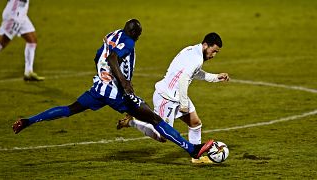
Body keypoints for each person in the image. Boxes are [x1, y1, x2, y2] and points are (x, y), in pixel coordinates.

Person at [12, 19, 215, 160]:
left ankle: (28, 121)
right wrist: (124, 84)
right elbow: (112, 58)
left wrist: (103, 76)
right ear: (136, 34)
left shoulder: (113, 35)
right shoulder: (128, 42)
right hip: (118, 94)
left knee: (69, 109)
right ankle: (192, 149)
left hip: (98, 89)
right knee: (155, 120)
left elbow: (98, 56)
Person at [117, 32, 229, 164]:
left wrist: (215, 77)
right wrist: (183, 103)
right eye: (213, 51)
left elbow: (194, 73)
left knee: (195, 123)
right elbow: (184, 79)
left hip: (178, 95)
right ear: (205, 45)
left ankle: (196, 157)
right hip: (167, 97)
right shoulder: (196, 58)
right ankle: (131, 121)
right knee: (162, 135)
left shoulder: (191, 50)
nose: (213, 55)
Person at [0, 0, 44, 81]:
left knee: (32, 40)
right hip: (15, 14)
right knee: (1, 44)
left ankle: (28, 72)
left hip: (21, 13)